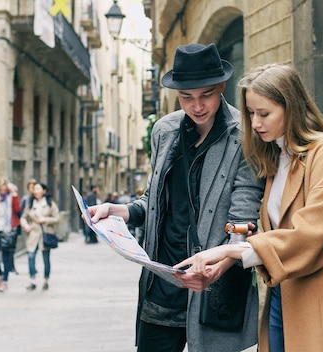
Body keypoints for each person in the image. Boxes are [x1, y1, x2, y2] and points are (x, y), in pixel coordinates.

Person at [174, 63, 323, 351]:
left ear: (292, 108)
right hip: (283, 295)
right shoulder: (276, 157)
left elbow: (311, 231)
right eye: (250, 113)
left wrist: (230, 249)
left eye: (264, 113)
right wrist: (226, 261)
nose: (256, 123)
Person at [87, 43, 264, 352]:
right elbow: (154, 202)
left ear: (222, 86)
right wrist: (121, 211)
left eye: (206, 94)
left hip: (214, 286)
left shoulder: (244, 137)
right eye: (187, 97)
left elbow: (243, 222)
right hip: (163, 284)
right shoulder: (164, 131)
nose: (197, 106)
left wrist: (216, 268)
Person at [20, 182, 60, 291]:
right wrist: (25, 225)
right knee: (31, 256)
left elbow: (57, 218)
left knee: (46, 259)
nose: (36, 191)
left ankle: (46, 280)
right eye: (35, 189)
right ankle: (32, 280)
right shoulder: (30, 203)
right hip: (33, 234)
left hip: (45, 234)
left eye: (38, 189)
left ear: (44, 191)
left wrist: (45, 220)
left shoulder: (49, 203)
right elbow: (23, 217)